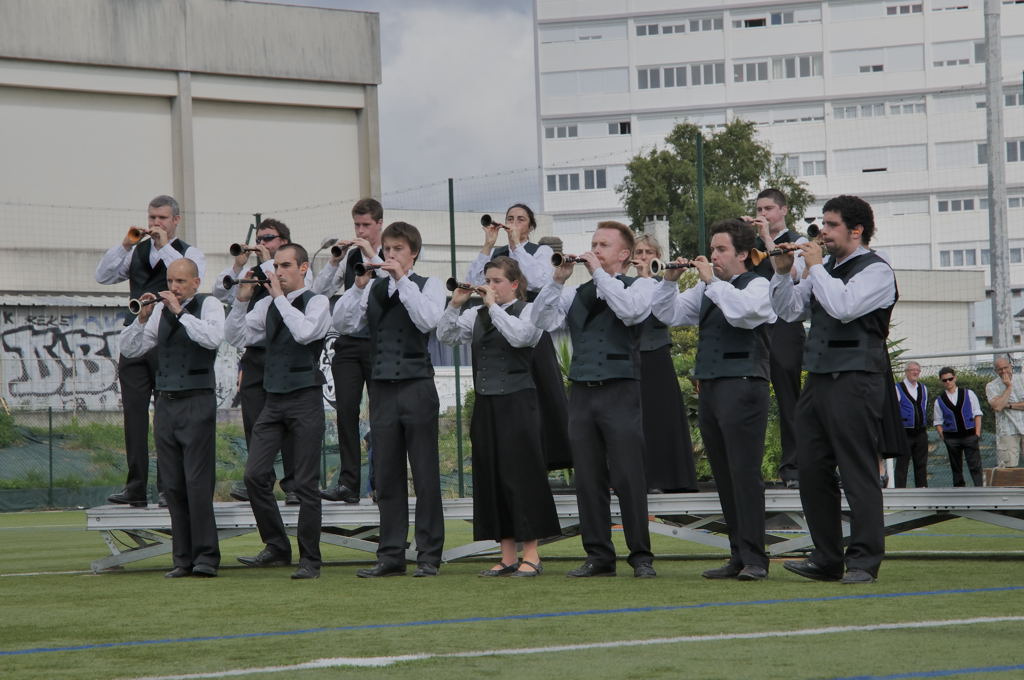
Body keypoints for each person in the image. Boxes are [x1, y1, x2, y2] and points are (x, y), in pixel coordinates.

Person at [769, 195, 897, 584]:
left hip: (857, 380)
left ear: (856, 230)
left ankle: (862, 561)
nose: (822, 231)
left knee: (857, 471)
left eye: (831, 225)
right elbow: (789, 311)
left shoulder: (877, 271)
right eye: (822, 223)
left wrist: (813, 267)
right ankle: (826, 557)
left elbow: (844, 307)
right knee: (811, 470)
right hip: (820, 380)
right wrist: (779, 272)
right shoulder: (821, 269)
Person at [652, 220, 776, 581]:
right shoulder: (710, 290)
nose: (714, 255)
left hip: (744, 385)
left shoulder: (758, 284)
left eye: (721, 249)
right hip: (711, 387)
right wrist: (669, 281)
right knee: (724, 475)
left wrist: (710, 281)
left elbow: (743, 315)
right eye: (713, 248)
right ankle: (738, 554)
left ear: (742, 253)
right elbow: (668, 315)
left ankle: (755, 558)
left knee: (744, 473)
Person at [532, 221, 656, 578]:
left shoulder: (641, 286)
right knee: (587, 477)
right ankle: (599, 554)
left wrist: (600, 274)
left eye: (603, 245)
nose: (595, 250)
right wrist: (557, 280)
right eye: (593, 244)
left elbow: (630, 312)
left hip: (621, 390)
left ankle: (641, 556)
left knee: (629, 475)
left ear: (624, 254)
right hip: (582, 392)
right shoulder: (575, 293)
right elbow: (539, 321)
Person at [334, 221, 445, 577]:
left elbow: (427, 320)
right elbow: (344, 324)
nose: (390, 254)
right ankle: (391, 553)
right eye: (388, 248)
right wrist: (358, 286)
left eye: (398, 249)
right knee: (386, 474)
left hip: (417, 386)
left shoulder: (431, 285)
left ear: (413, 253)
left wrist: (400, 279)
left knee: (425, 474)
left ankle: (429, 554)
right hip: (381, 388)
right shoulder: (373, 288)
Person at [437, 257, 561, 577]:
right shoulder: (476, 315)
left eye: (496, 281)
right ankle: (506, 556)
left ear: (515, 284)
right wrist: (454, 305)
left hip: (519, 404)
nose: (489, 287)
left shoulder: (530, 311)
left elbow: (520, 338)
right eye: (487, 281)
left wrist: (492, 307)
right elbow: (445, 335)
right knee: (492, 478)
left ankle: (531, 555)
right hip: (487, 405)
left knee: (522, 477)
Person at [227, 244, 330, 580]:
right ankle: (277, 545)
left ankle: (310, 560)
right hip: (273, 399)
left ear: (302, 268)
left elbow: (304, 333)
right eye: (276, 266)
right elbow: (235, 336)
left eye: (285, 266)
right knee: (255, 476)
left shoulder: (317, 301)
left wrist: (279, 299)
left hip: (305, 399)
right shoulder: (269, 304)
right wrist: (242, 300)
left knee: (305, 484)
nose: (278, 272)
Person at [96, 194, 206, 508]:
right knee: (134, 416)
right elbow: (102, 276)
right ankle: (135, 486)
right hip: (136, 336)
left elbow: (191, 275)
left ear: (175, 221)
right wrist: (126, 245)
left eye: (161, 219)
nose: (155, 224)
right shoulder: (136, 251)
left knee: (166, 417)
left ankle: (166, 487)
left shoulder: (188, 252)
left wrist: (163, 246)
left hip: (168, 342)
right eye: (152, 218)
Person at [118, 258, 223, 577]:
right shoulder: (160, 311)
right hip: (165, 404)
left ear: (195, 282)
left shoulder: (210, 305)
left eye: (180, 281)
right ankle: (182, 559)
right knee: (173, 485)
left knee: (197, 482)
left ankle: (206, 557)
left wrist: (180, 311)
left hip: (197, 401)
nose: (173, 287)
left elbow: (212, 339)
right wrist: (140, 319)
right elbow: (131, 350)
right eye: (170, 281)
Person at [465, 204, 572, 471]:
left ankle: (547, 455)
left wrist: (516, 247)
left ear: (531, 226)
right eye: (509, 219)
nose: (513, 223)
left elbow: (538, 281)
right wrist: (488, 246)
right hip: (494, 328)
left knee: (541, 392)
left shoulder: (541, 251)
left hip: (529, 326)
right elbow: (471, 283)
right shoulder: (496, 255)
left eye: (520, 219)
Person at [215, 218, 309, 505]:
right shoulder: (253, 270)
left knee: (291, 423)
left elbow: (291, 297)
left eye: (268, 237)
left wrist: (270, 263)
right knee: (255, 421)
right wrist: (239, 267)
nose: (263, 243)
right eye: (261, 238)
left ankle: (294, 484)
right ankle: (260, 480)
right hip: (256, 353)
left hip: (286, 354)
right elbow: (221, 292)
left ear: (283, 240)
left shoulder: (297, 268)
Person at [314, 198, 385, 503]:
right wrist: (334, 259)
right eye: (357, 225)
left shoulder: (391, 251)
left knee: (382, 415)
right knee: (345, 412)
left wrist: (374, 256)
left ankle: (381, 482)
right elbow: (319, 292)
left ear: (379, 224)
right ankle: (348, 484)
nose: (361, 230)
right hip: (348, 343)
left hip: (379, 343)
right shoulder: (349, 256)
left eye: (366, 225)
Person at [748, 189, 806, 489]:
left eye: (768, 208)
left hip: (785, 325)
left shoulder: (797, 241)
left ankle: (793, 467)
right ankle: (748, 468)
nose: (763, 214)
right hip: (755, 327)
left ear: (783, 210)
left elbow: (792, 274)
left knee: (788, 399)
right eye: (759, 208)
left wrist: (768, 241)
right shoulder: (753, 244)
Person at [631, 234, 697, 493]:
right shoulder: (623, 284)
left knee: (661, 417)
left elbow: (664, 312)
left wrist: (648, 278)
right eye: (640, 251)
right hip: (630, 358)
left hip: (656, 354)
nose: (644, 256)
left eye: (649, 251)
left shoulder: (665, 282)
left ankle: (666, 478)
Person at [934, 367, 983, 487]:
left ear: (955, 378)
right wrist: (944, 437)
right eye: (944, 380)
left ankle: (980, 490)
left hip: (970, 436)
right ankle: (959, 492)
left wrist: (977, 433)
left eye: (950, 379)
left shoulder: (968, 393)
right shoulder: (939, 400)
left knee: (975, 465)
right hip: (951, 439)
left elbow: (977, 414)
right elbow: (938, 421)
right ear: (941, 382)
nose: (948, 382)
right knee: (956, 468)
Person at [986, 356, 1024, 469]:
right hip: (1007, 431)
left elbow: (1002, 404)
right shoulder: (991, 386)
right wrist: (1008, 387)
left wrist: (1008, 405)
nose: (1003, 371)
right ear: (995, 371)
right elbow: (998, 406)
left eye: (1005, 367)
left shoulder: (1022, 379)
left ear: (1011, 366)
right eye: (1000, 369)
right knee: (1009, 468)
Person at [895, 362, 929, 487]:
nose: (915, 373)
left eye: (917, 370)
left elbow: (923, 408)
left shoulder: (923, 388)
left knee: (921, 464)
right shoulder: (897, 388)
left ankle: (922, 491)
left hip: (920, 432)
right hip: (905, 433)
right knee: (902, 465)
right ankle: (900, 493)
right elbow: (894, 411)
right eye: (912, 370)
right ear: (906, 371)